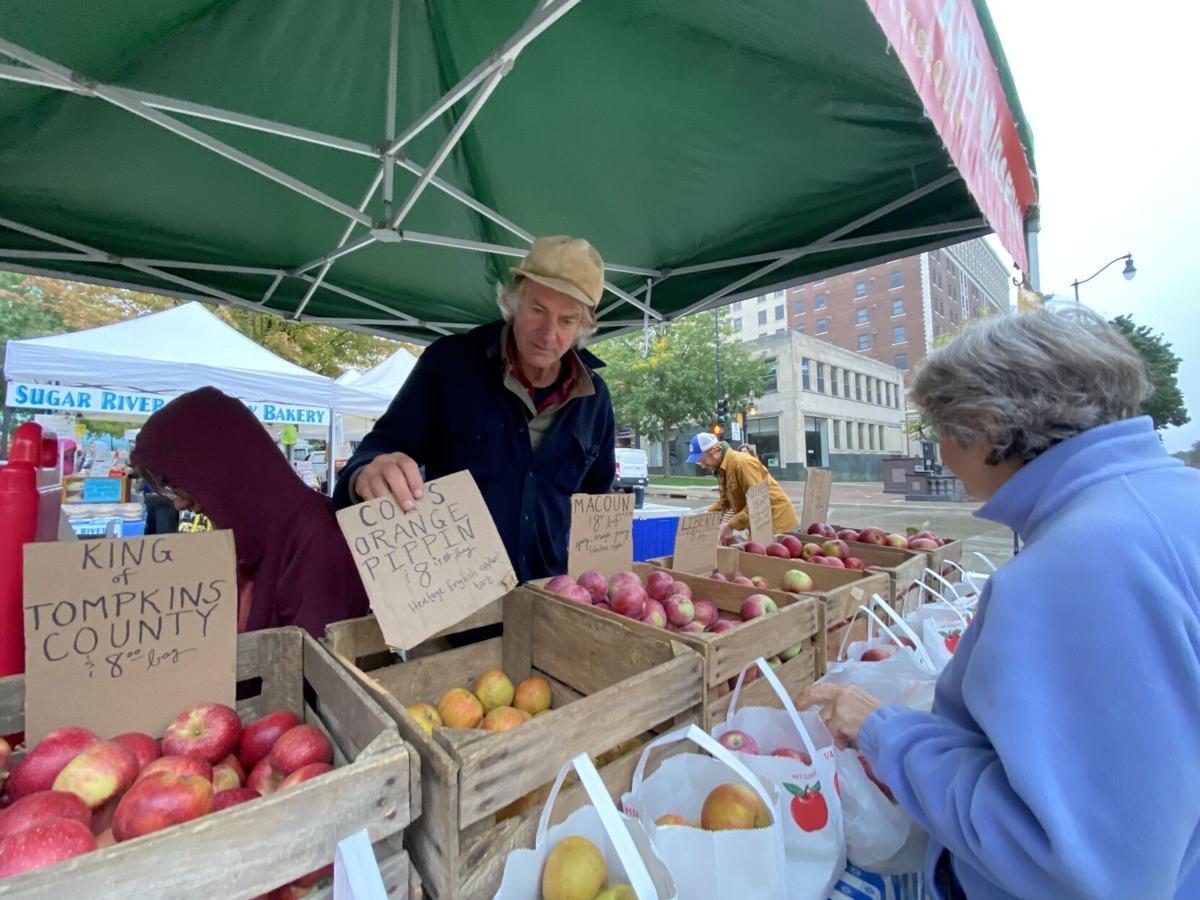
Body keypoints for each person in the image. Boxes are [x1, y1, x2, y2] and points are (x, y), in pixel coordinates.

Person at [798, 308, 1200, 899]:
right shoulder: (1172, 499)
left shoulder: (1080, 565)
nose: (937, 448)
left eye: (939, 426)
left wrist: (886, 732)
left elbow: (1078, 869)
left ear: (986, 424)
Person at [333, 235, 616, 582]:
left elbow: (597, 499)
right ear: (514, 302)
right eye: (538, 310)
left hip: (551, 601)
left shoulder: (595, 398)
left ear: (581, 328)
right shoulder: (450, 364)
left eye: (566, 320)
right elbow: (380, 446)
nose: (548, 333)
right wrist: (368, 470)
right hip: (454, 599)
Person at [132, 387, 369, 638]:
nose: (180, 505)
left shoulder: (316, 538)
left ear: (219, 469)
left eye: (178, 484)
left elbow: (307, 669)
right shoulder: (258, 534)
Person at [688, 431, 798, 544]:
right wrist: (705, 515)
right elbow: (725, 502)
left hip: (779, 525)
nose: (702, 466)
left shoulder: (742, 463)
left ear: (714, 451)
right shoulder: (722, 469)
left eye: (700, 460)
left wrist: (731, 525)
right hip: (761, 524)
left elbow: (759, 503)